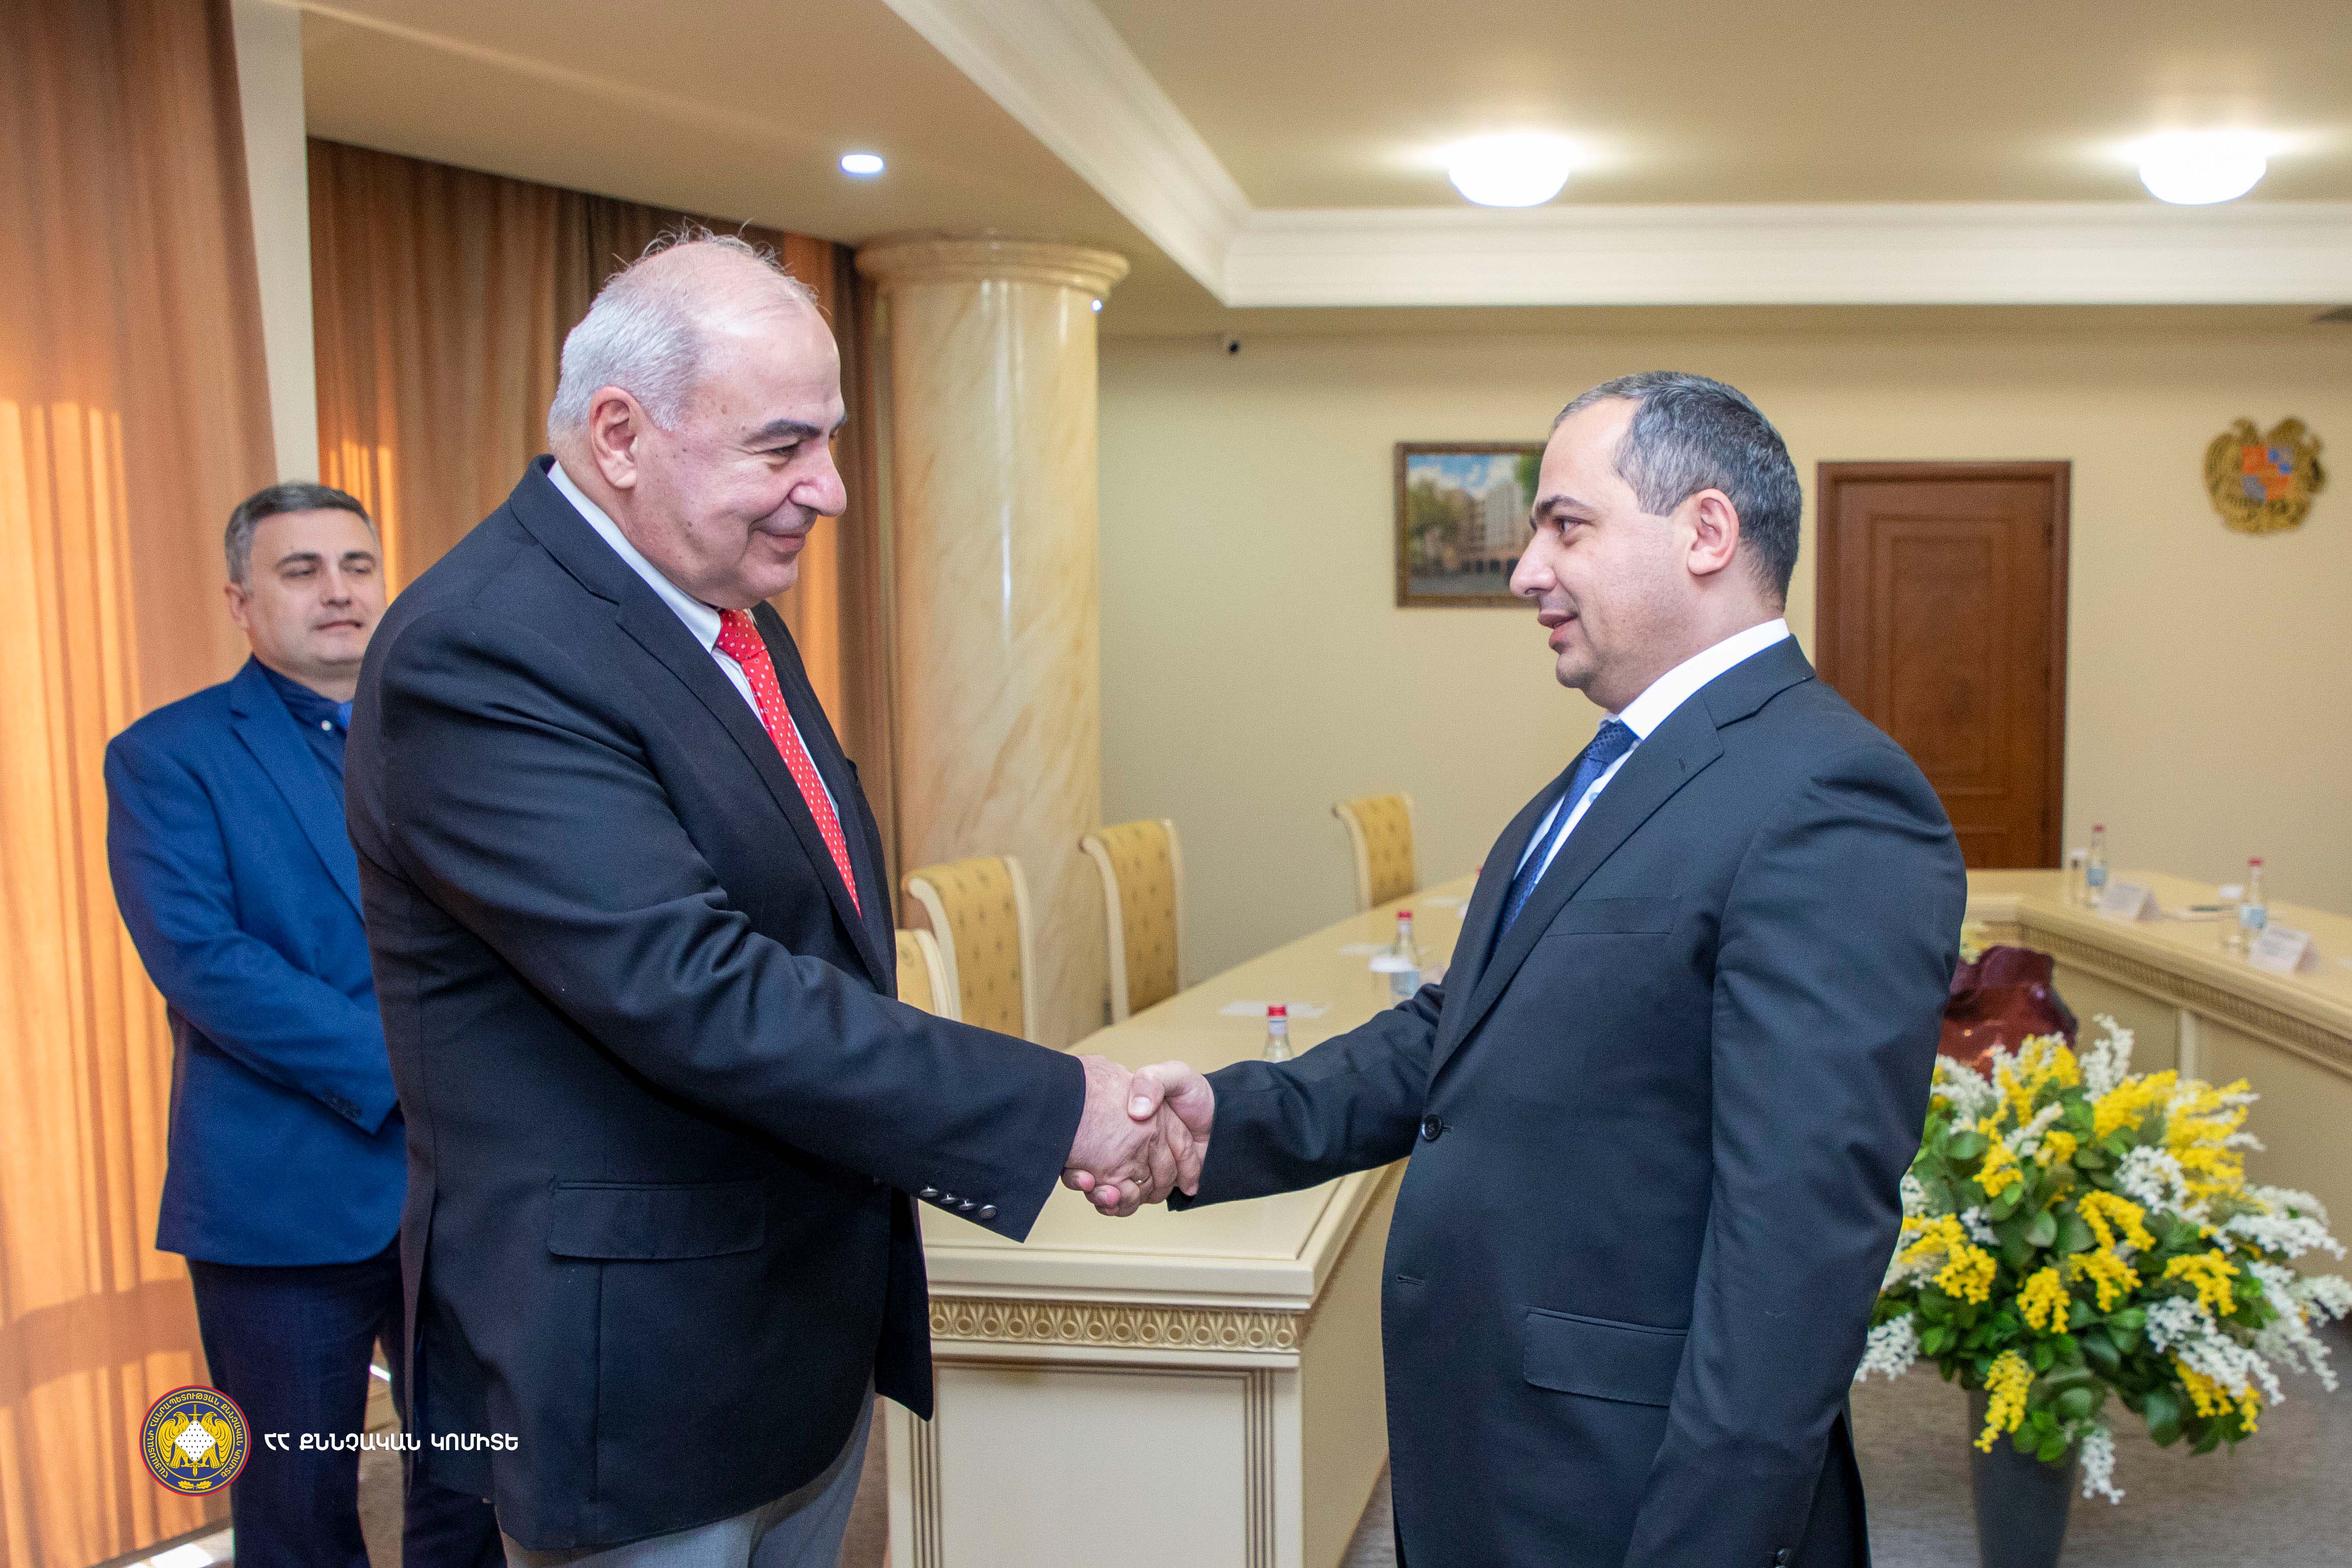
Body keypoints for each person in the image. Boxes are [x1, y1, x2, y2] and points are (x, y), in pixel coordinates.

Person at [343, 232, 1193, 1568]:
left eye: (830, 440)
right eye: (782, 447)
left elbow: (813, 928)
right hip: (642, 1380)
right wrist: (1056, 1107)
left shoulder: (716, 602)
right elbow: (698, 988)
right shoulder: (484, 648)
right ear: (619, 435)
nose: (830, 489)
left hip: (787, 1328)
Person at [1108, 373, 1967, 1567]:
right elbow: (1460, 1031)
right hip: (1512, 1452)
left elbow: (1796, 1247)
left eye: (1566, 526)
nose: (1524, 573)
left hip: (1634, 1491)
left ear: (1705, 533)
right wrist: (1228, 1120)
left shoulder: (1828, 794)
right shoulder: (1614, 769)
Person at [105, 485, 502, 1567]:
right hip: (280, 1199)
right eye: (301, 569)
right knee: (294, 1511)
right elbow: (205, 963)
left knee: (472, 1490)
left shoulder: (460, 740)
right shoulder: (166, 756)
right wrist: (416, 1068)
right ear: (240, 600)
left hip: (468, 1191)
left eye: (357, 565)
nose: (338, 590)